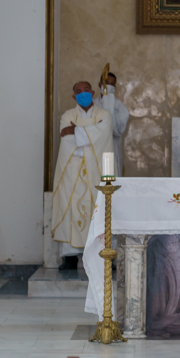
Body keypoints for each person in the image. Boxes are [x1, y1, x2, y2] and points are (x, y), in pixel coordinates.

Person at [51, 81, 113, 271]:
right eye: (78, 91)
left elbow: (103, 135)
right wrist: (89, 136)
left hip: (97, 172)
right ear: (73, 97)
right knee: (71, 208)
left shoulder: (104, 114)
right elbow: (67, 141)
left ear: (93, 93)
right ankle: (69, 257)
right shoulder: (68, 115)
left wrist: (76, 130)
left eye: (86, 91)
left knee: (100, 211)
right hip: (73, 172)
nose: (83, 94)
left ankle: (103, 255)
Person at [94, 71, 129, 176]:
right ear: (100, 84)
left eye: (111, 84)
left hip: (112, 150)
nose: (108, 86)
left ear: (114, 87)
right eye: (106, 83)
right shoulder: (92, 104)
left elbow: (118, 131)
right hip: (95, 149)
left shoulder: (120, 107)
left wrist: (109, 109)